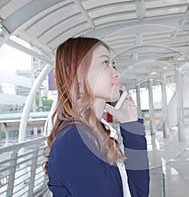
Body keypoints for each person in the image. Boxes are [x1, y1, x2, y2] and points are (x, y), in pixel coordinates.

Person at [45, 37, 149, 196]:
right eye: (105, 63)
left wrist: (131, 126)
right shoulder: (75, 139)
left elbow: (138, 193)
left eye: (113, 65)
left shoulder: (93, 134)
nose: (116, 73)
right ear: (78, 74)